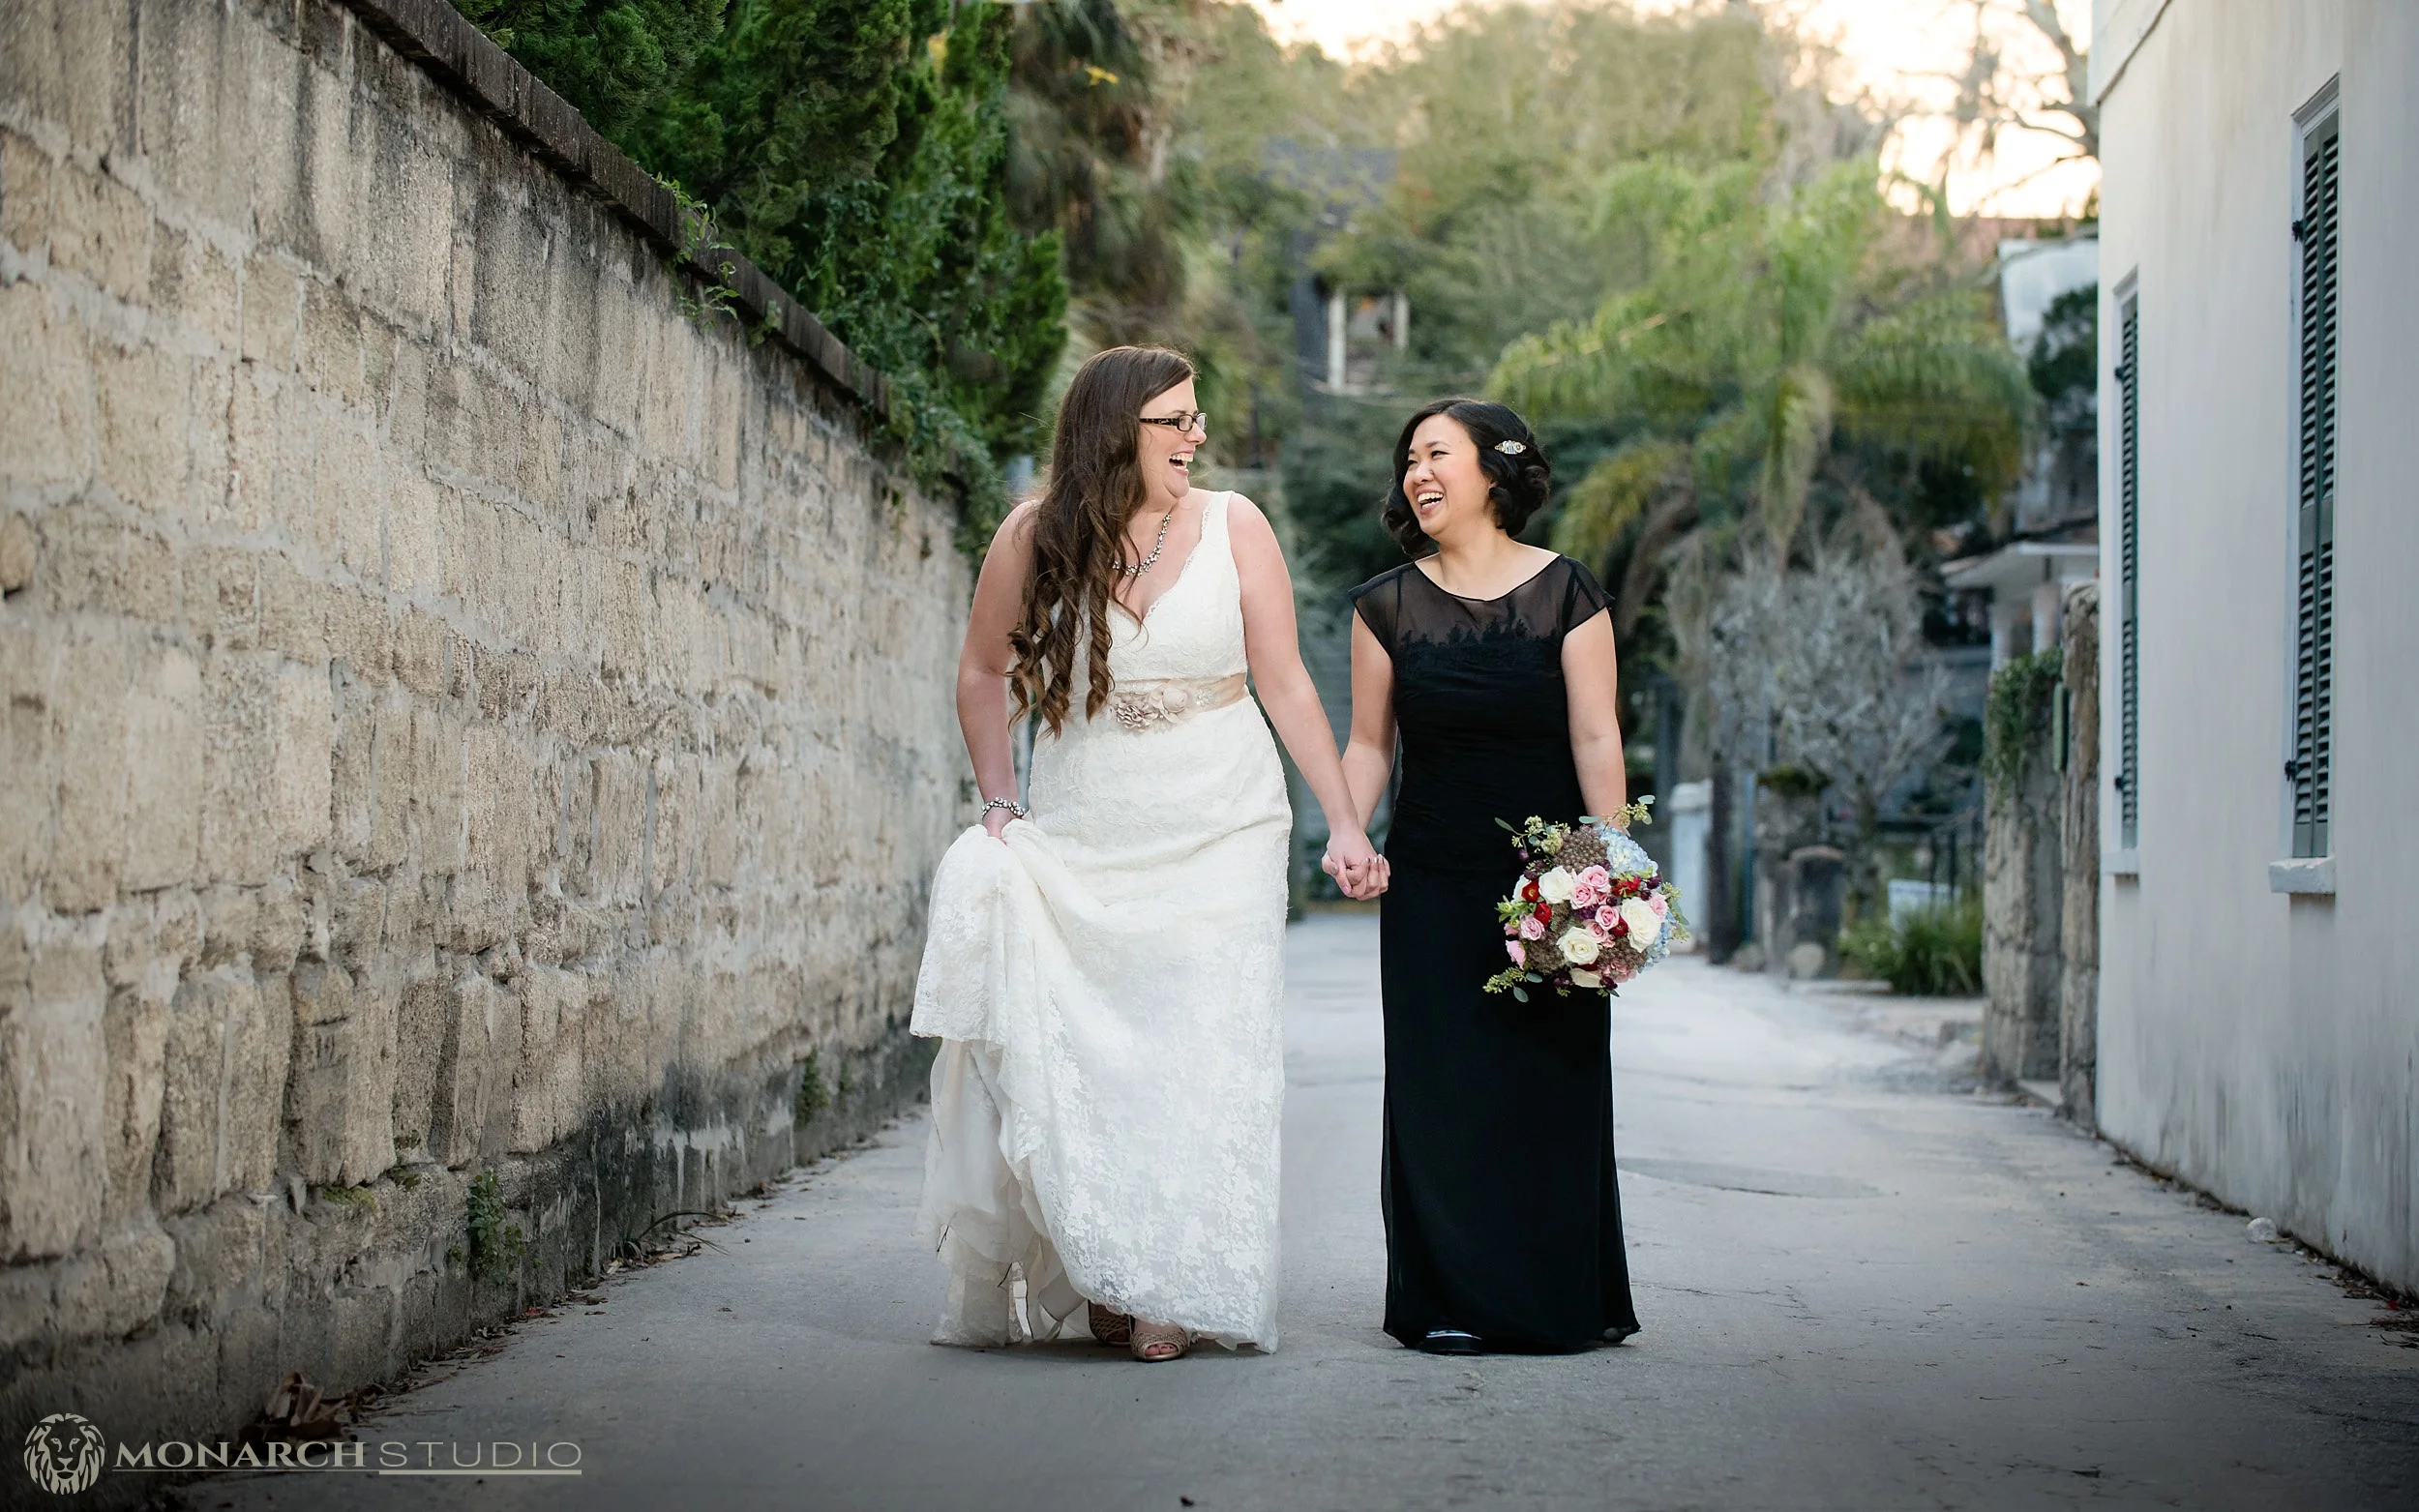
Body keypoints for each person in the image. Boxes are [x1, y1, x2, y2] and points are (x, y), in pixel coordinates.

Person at [911, 345, 1385, 1363]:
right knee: (1095, 1052)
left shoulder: (1233, 526)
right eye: (1176, 419)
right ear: (1116, 428)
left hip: (1221, 818)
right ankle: (1109, 1266)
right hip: (1089, 821)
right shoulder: (1034, 535)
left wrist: (1341, 822)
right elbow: (981, 673)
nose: (1197, 436)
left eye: (1196, 418)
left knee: (1203, 1046)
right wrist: (999, 800)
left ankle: (1174, 1282)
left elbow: (1288, 684)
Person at [1335, 398, 1641, 1354]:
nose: (1416, 473)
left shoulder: (1568, 595)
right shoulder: (1383, 605)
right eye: (1408, 460)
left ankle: (1551, 1296)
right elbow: (1367, 744)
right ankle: (1446, 1296)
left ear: (1492, 473)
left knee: (1548, 1088)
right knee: (1440, 1091)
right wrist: (1346, 829)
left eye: (1436, 453)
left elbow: (1596, 737)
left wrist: (1611, 872)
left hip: (1548, 886)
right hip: (1428, 880)